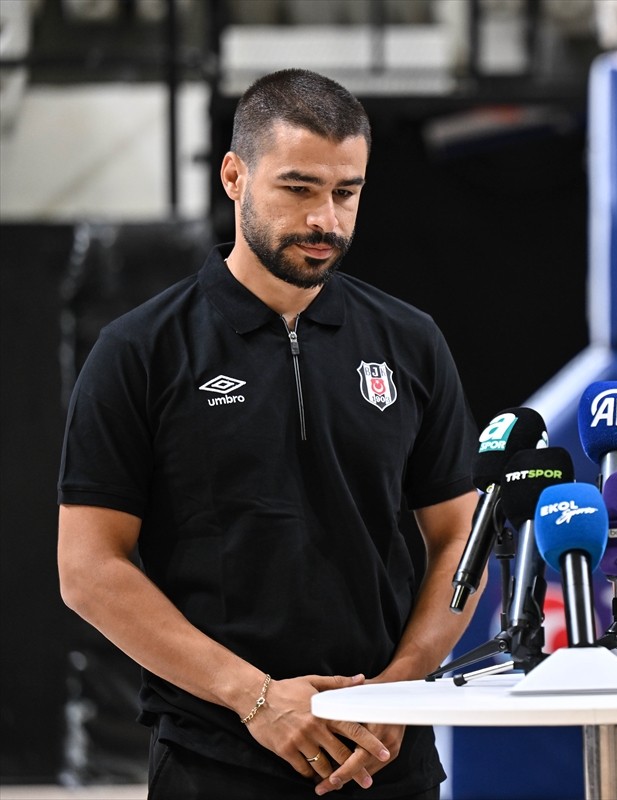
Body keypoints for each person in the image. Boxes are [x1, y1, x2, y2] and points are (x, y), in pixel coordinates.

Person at [57, 69, 482, 799]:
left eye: (346, 192)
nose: (327, 219)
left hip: (382, 758)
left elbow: (460, 543)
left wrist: (397, 692)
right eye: (299, 188)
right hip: (217, 756)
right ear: (234, 175)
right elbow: (89, 569)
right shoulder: (142, 349)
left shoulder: (410, 341)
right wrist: (255, 697)